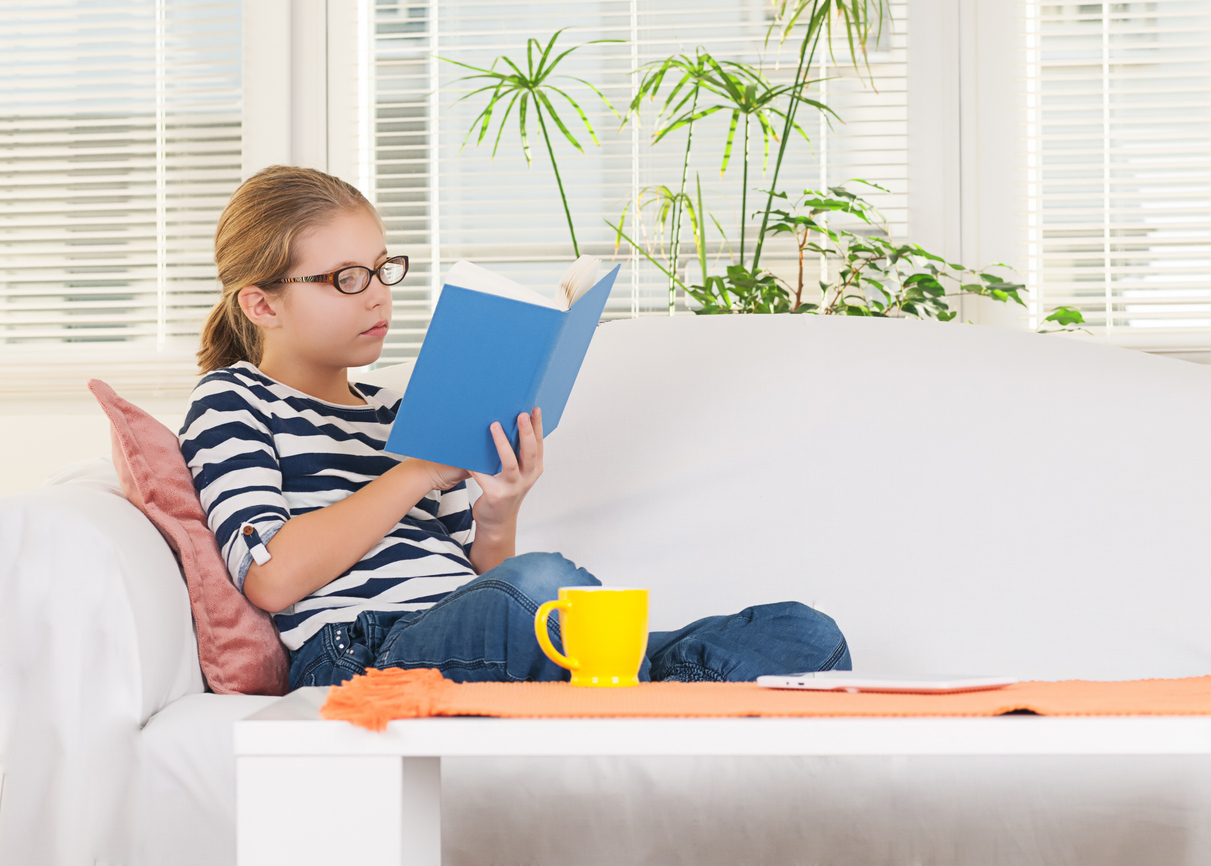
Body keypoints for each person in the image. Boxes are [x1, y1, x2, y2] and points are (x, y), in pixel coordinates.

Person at [179, 165, 852, 691]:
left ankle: (627, 694)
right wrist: (417, 470)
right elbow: (270, 578)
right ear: (262, 303)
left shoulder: (400, 410)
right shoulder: (233, 400)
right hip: (364, 652)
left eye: (383, 268)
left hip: (476, 633)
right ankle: (643, 695)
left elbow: (480, 579)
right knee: (541, 587)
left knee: (802, 633)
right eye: (346, 278)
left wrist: (500, 512)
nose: (380, 293)